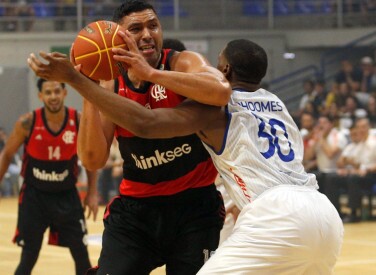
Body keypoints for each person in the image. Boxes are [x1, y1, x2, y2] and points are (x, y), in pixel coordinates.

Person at [29, 36, 344, 273]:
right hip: (323, 212)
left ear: (223, 70)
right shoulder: (277, 104)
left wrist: (81, 81)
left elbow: (147, 123)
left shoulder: (215, 106)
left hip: (276, 214)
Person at [28, 1, 231, 274]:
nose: (147, 34)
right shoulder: (111, 85)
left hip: (195, 207)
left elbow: (221, 91)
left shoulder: (182, 62)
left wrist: (151, 73)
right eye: (136, 29)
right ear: (117, 38)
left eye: (153, 26)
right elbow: (93, 158)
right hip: (138, 212)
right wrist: (90, 86)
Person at [0, 78, 99, 275]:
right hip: (34, 197)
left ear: (64, 92)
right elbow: (7, 154)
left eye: (56, 91)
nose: (53, 96)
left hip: (67, 196)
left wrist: (92, 192)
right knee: (29, 255)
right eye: (48, 92)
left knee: (82, 255)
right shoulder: (27, 123)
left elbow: (90, 156)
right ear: (40, 96)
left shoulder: (77, 120)